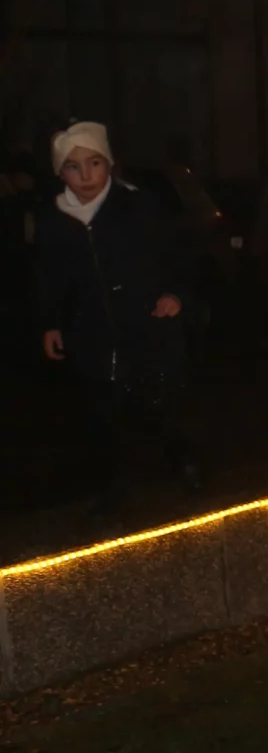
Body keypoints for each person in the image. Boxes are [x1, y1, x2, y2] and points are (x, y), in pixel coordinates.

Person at [35, 122, 198, 506]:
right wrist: (49, 323)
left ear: (109, 163)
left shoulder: (139, 207)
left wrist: (175, 293)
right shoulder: (54, 221)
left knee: (161, 407)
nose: (86, 175)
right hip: (90, 334)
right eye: (74, 167)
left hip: (147, 327)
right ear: (61, 173)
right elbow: (46, 276)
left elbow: (179, 255)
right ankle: (114, 489)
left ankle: (186, 464)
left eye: (95, 162)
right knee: (102, 415)